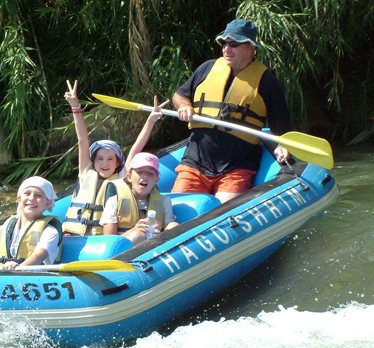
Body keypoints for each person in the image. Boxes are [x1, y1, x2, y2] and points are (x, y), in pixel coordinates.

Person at [171, 18, 293, 203]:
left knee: (223, 216)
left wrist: (284, 145)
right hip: (195, 162)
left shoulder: (267, 81)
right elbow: (179, 95)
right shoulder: (207, 68)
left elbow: (281, 126)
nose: (226, 49)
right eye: (224, 43)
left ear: (251, 48)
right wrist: (185, 106)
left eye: (234, 43)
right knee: (177, 213)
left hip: (236, 168)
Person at [62, 79, 162, 235]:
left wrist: (150, 121)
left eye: (110, 159)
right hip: (73, 235)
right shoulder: (86, 172)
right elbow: (82, 140)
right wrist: (75, 107)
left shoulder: (122, 177)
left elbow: (136, 147)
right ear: (93, 161)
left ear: (117, 163)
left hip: (100, 238)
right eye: (100, 159)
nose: (104, 163)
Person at [100, 152, 178, 245]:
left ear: (156, 180)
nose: (144, 176)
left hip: (155, 245)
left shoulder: (165, 201)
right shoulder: (114, 201)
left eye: (150, 173)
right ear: (129, 177)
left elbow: (168, 229)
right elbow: (109, 241)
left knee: (174, 226)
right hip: (124, 249)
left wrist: (160, 232)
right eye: (139, 172)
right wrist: (134, 230)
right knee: (138, 234)